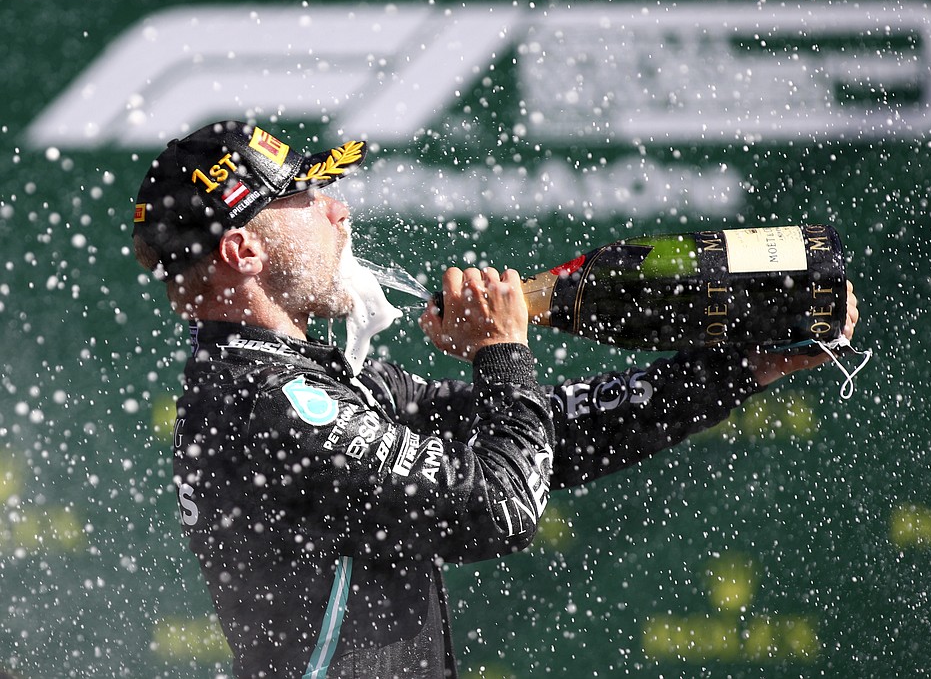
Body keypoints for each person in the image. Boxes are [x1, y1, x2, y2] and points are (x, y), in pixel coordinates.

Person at [132, 120, 860, 678]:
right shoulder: (269, 401)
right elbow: (498, 506)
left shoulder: (299, 381)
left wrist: (742, 368)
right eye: (303, 195)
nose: (337, 209)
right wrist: (500, 353)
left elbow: (553, 436)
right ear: (242, 253)